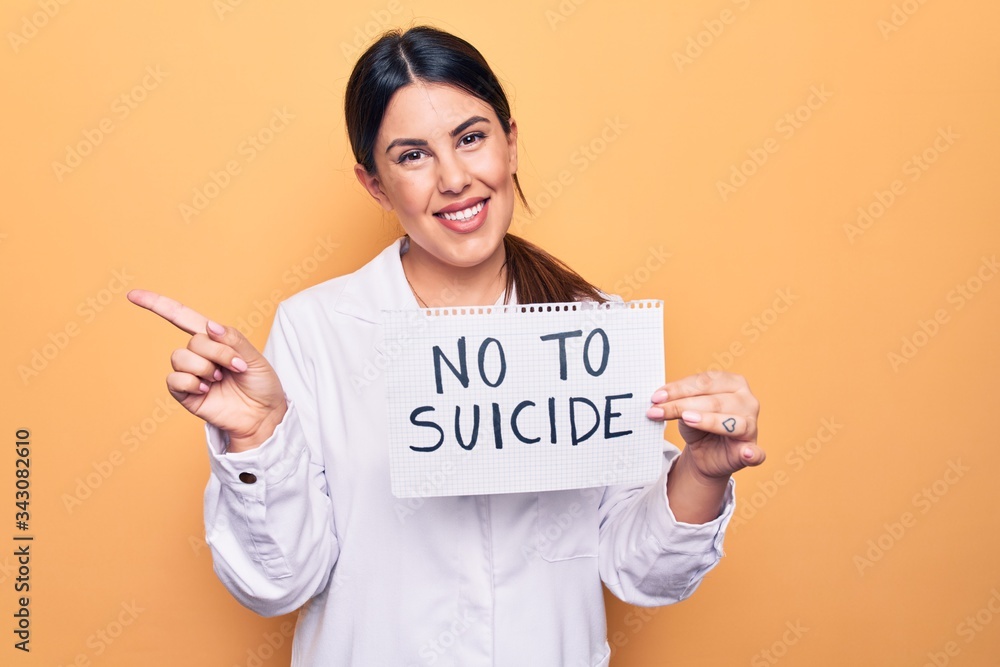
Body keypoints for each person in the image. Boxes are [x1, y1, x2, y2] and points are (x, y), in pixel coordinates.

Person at [128, 25, 763, 666]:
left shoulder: (591, 330)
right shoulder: (316, 330)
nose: (455, 178)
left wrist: (701, 473)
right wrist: (260, 437)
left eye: (470, 138)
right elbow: (277, 584)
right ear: (374, 184)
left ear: (509, 143)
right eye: (412, 156)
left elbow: (643, 573)